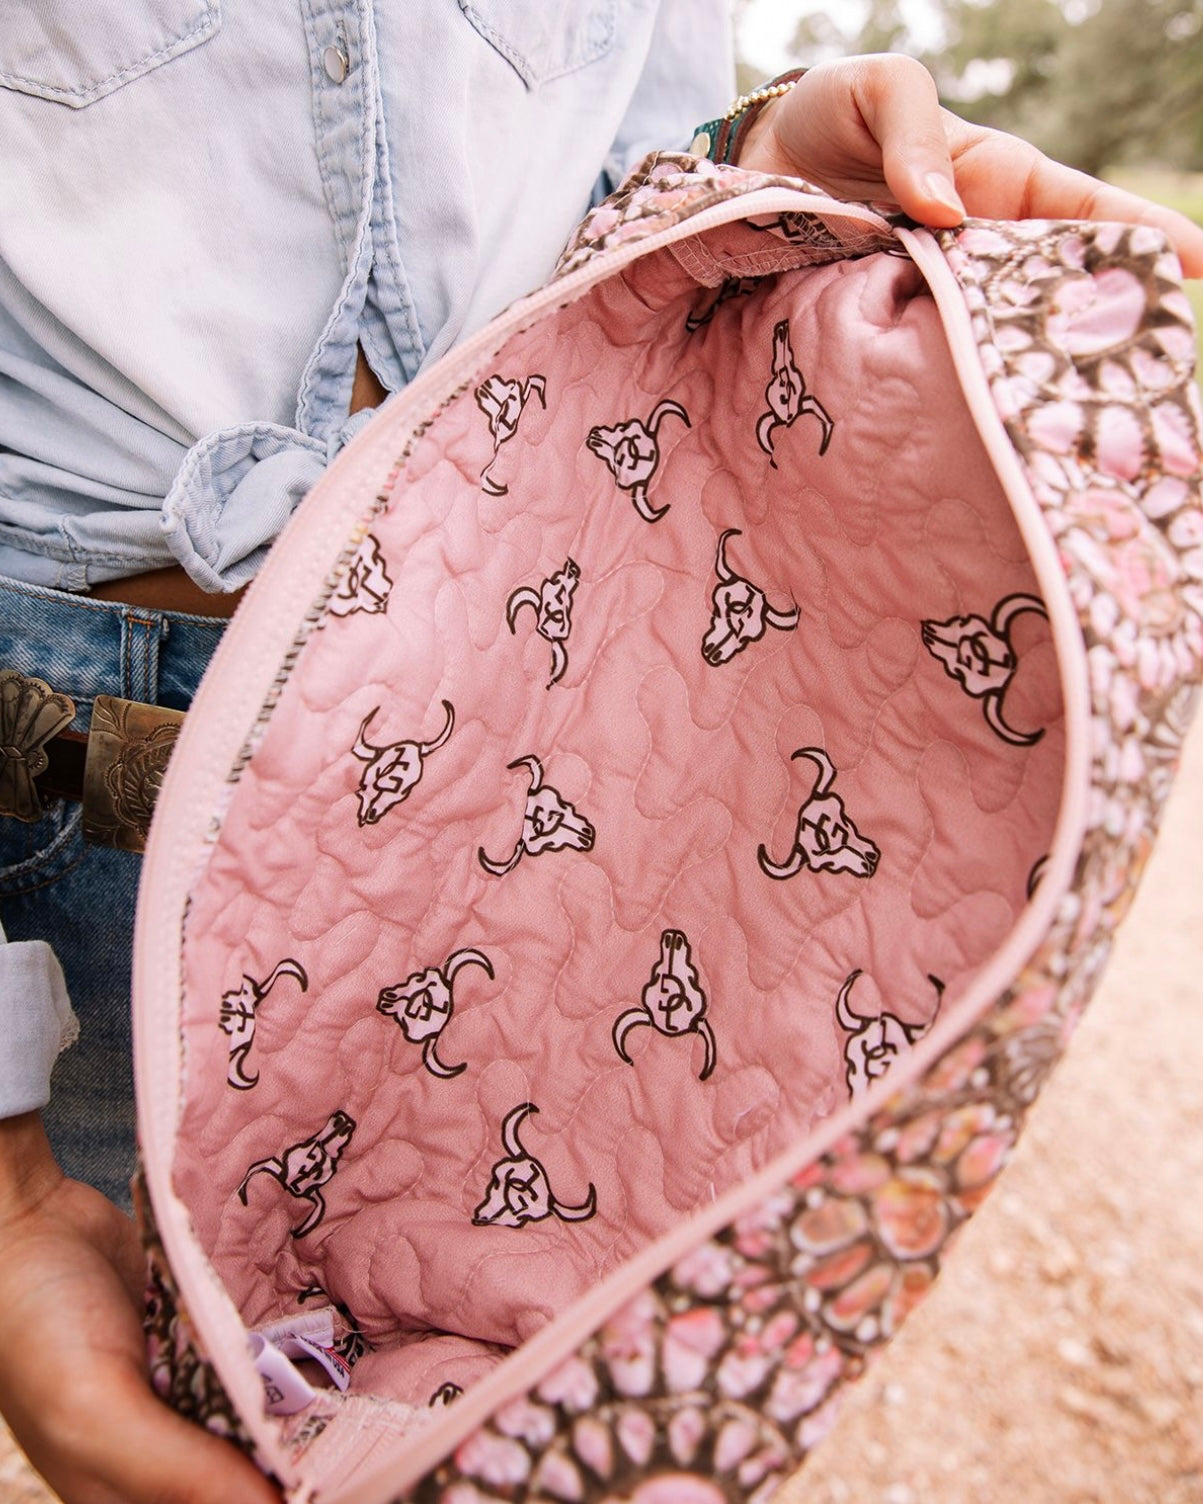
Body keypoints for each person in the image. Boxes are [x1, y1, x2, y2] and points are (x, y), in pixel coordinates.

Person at [0, 7, 1200, 1500]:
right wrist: (6, 1192)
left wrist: (748, 157)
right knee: (179, 1405)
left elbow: (612, 187)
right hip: (69, 748)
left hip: (558, 681)